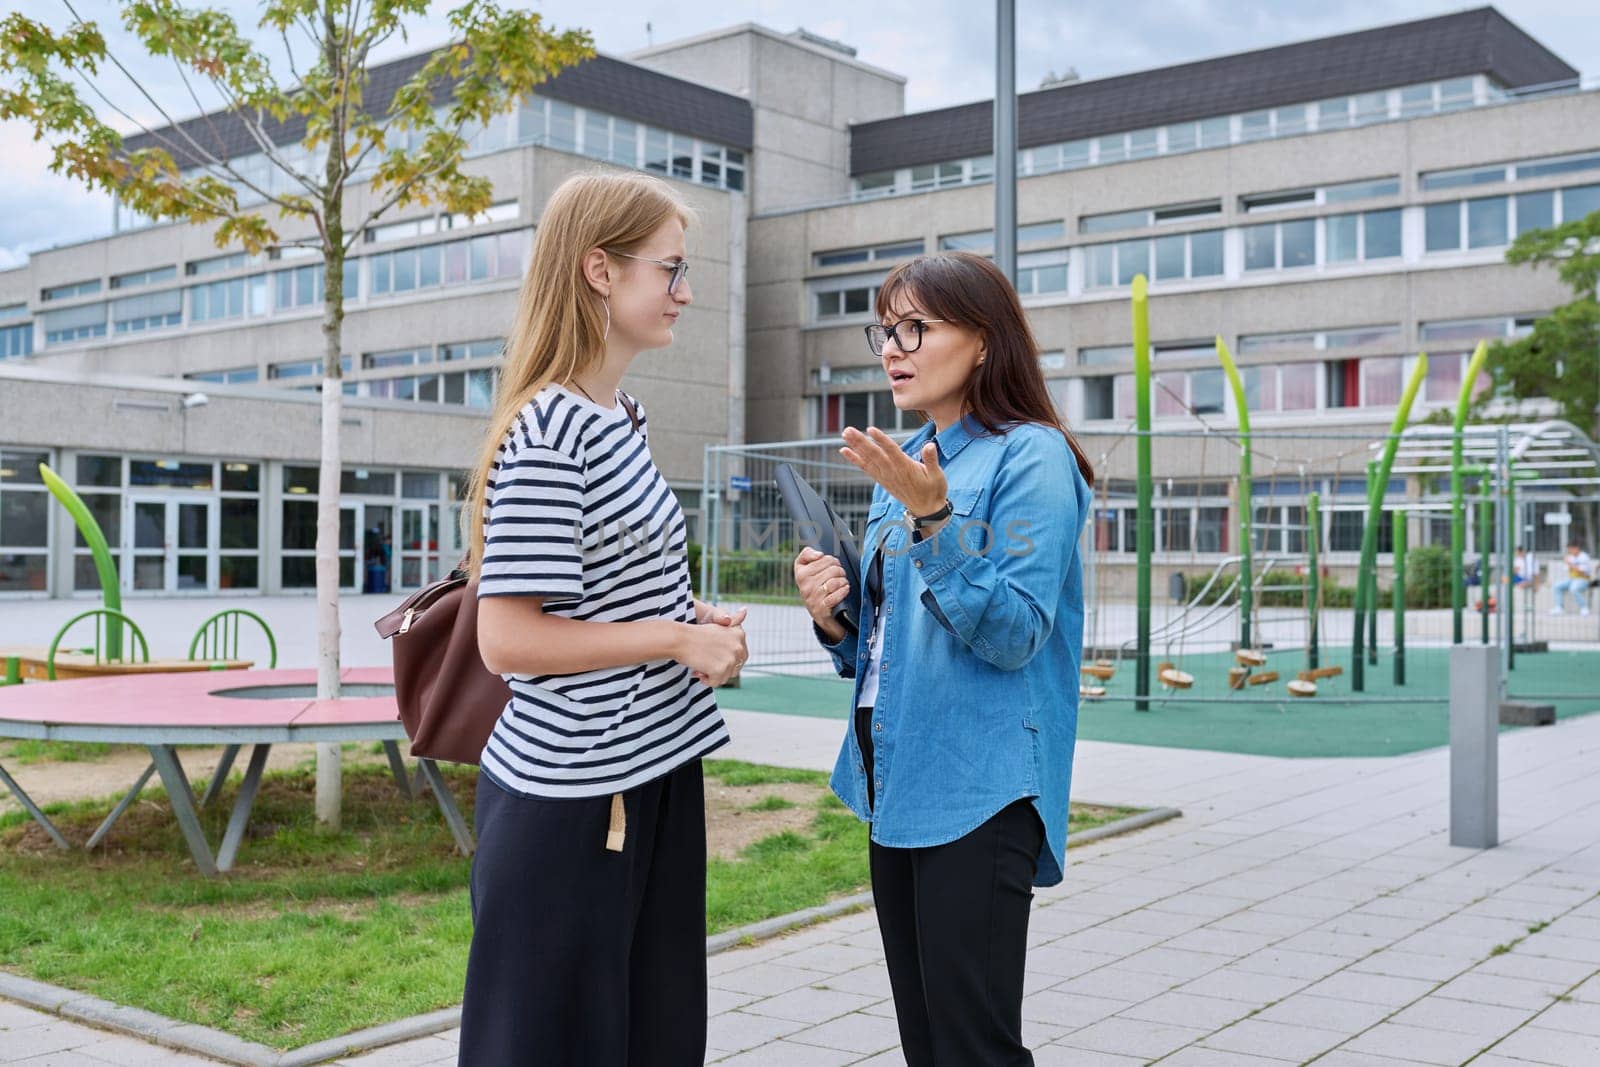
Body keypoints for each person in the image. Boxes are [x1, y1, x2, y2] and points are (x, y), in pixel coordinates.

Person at [457, 171, 749, 1067]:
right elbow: (507, 640)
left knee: (651, 1040)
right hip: (576, 800)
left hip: (650, 771)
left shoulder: (620, 416)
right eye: (670, 269)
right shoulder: (551, 432)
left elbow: (602, 586)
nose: (685, 292)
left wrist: (689, 617)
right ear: (598, 271)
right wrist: (673, 638)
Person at [793, 251, 1094, 1066]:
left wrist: (936, 522)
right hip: (899, 781)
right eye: (886, 330)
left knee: (973, 1047)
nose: (894, 347)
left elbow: (1016, 632)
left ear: (986, 341)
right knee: (927, 1043)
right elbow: (892, 648)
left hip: (982, 787)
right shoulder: (912, 464)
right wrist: (835, 619)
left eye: (916, 327)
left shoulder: (1032, 456)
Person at [1553, 540, 1593, 615]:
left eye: (1571, 549)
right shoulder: (1570, 557)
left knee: (1574, 588)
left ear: (1577, 548)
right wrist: (1566, 563)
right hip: (1572, 579)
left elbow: (1582, 571)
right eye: (1568, 549)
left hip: (1583, 579)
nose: (1569, 551)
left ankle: (1584, 607)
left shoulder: (1584, 557)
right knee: (1557, 586)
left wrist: (1570, 564)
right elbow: (1566, 569)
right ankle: (1559, 607)